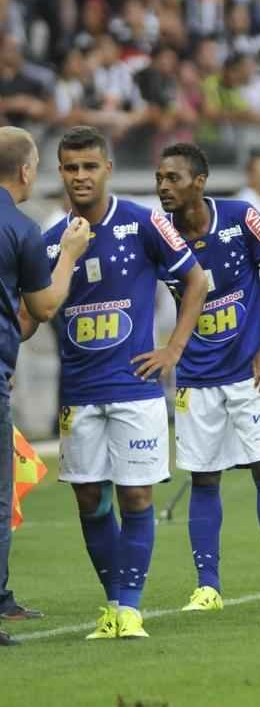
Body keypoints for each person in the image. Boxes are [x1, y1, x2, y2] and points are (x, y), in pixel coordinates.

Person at [22, 126, 208, 640]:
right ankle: (113, 603)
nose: (80, 176)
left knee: (137, 498)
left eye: (89, 166)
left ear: (107, 169)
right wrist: (67, 256)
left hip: (135, 389)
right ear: (59, 172)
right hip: (78, 395)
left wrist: (173, 348)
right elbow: (30, 315)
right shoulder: (48, 240)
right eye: (71, 167)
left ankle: (129, 608)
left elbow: (195, 280)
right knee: (88, 501)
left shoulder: (145, 222)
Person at [153, 142, 260, 613]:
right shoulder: (160, 235)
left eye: (173, 178)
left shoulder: (240, 217)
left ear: (199, 181)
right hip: (196, 375)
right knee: (203, 478)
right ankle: (208, 587)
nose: (163, 187)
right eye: (159, 179)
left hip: (250, 369)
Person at [0, 127, 92, 646]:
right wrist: (71, 254)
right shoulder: (21, 228)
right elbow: (45, 306)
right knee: (0, 494)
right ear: (28, 170)